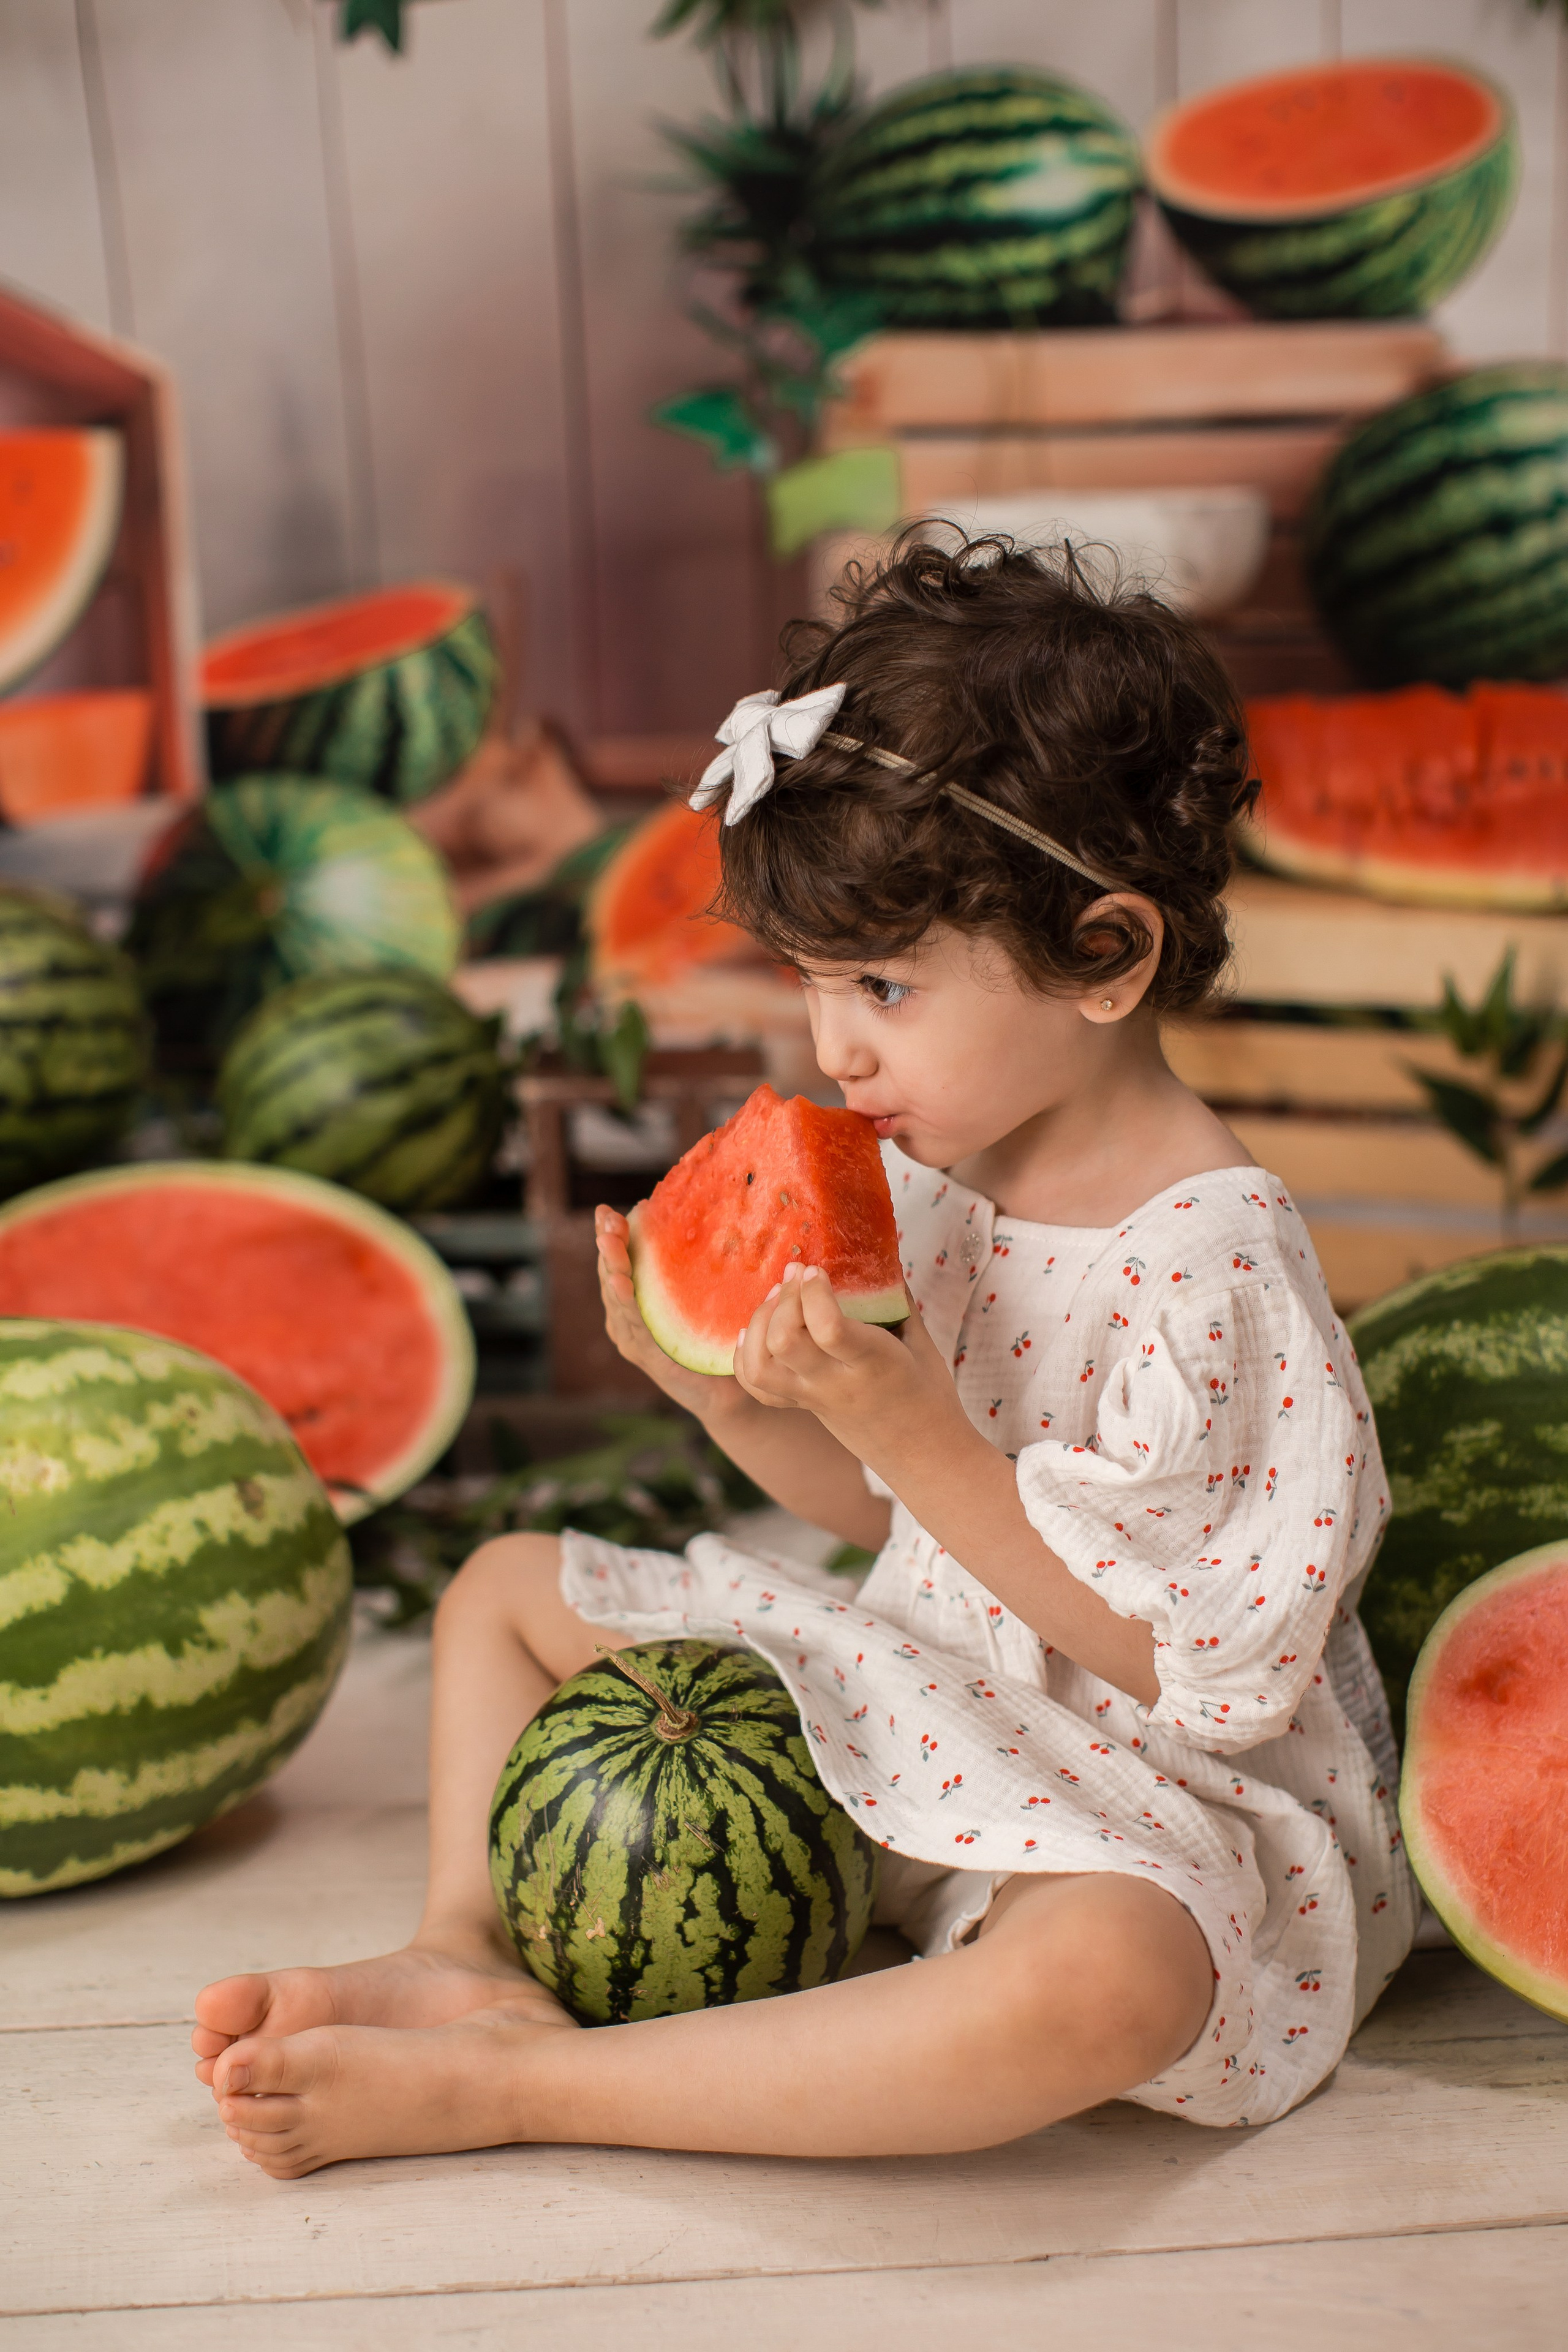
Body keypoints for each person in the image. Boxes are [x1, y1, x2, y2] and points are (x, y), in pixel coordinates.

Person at [193, 536, 1417, 2179]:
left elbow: (1191, 1665)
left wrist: (920, 1440)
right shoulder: (930, 1169)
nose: (834, 1047)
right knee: (500, 1590)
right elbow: (873, 1520)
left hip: (1146, 1795)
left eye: (886, 986)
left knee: (1103, 1991)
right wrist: (720, 1393)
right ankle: (471, 1954)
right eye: (816, 983)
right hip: (932, 1690)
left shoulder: (1214, 1266)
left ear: (1108, 956)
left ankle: (524, 2094)